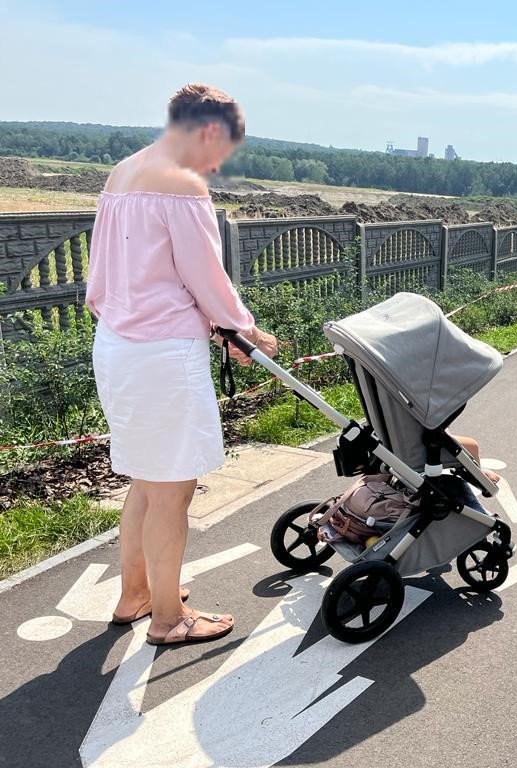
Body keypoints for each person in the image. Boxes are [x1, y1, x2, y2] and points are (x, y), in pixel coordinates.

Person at [86, 84, 279, 646]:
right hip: (164, 352)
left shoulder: (123, 172)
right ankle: (169, 618)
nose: (217, 167)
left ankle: (136, 593)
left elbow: (102, 270)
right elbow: (205, 277)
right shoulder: (182, 185)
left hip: (118, 342)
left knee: (147, 480)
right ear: (210, 131)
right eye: (221, 154)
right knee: (173, 488)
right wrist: (246, 331)